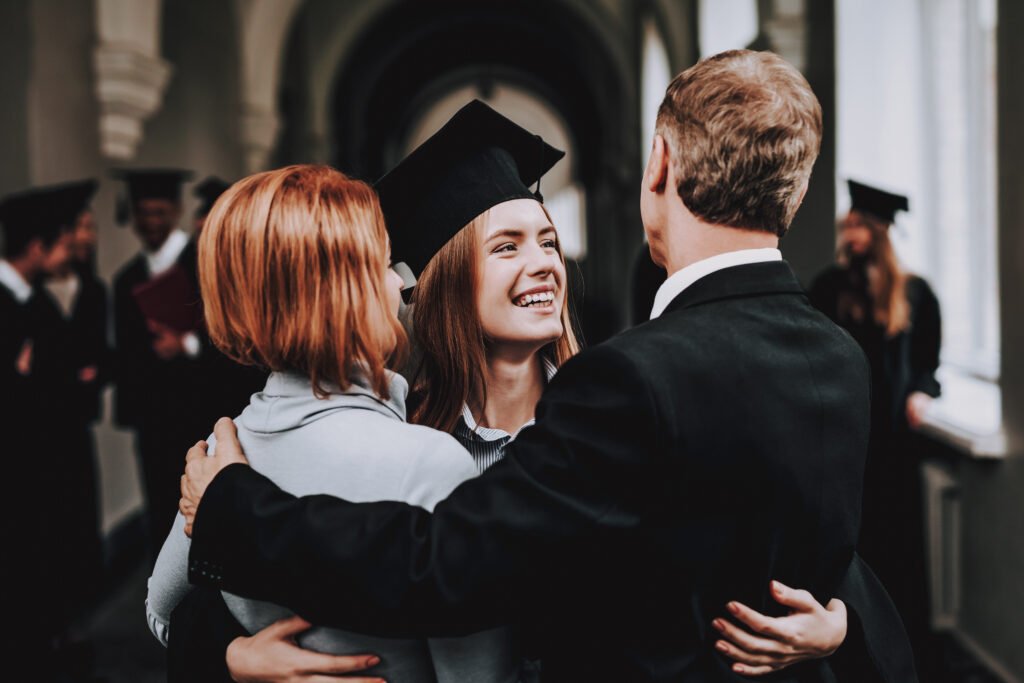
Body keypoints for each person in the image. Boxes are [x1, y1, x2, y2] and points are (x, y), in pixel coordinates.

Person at [179, 50, 920, 681]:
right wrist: (230, 655)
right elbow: (191, 612)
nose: (541, 264)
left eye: (545, 238)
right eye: (505, 246)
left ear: (658, 164)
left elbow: (443, 566)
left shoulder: (617, 388)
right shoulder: (390, 423)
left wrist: (235, 508)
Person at [148, 163, 530, 683]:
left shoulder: (223, 455)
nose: (399, 281)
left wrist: (234, 654)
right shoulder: (427, 462)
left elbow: (161, 612)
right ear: (341, 292)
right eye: (381, 264)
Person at [809, 180, 942, 675]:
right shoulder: (827, 290)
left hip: (897, 451)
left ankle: (909, 655)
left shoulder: (916, 294)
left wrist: (923, 391)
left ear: (881, 231)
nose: (851, 230)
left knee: (901, 552)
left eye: (861, 223)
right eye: (850, 222)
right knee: (856, 552)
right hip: (850, 448)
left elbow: (928, 363)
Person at [112, 169, 264, 556]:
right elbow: (128, 352)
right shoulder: (125, 278)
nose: (151, 222)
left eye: (159, 212)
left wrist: (188, 345)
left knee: (205, 510)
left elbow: (233, 332)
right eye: (143, 213)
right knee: (161, 507)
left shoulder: (203, 262)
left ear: (177, 210)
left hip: (203, 407)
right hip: (153, 418)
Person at [0, 181, 97, 681]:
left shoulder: (36, 302)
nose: (73, 249)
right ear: (37, 247)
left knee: (44, 565)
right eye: (64, 241)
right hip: (15, 471)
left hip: (43, 463)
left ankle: (47, 649)